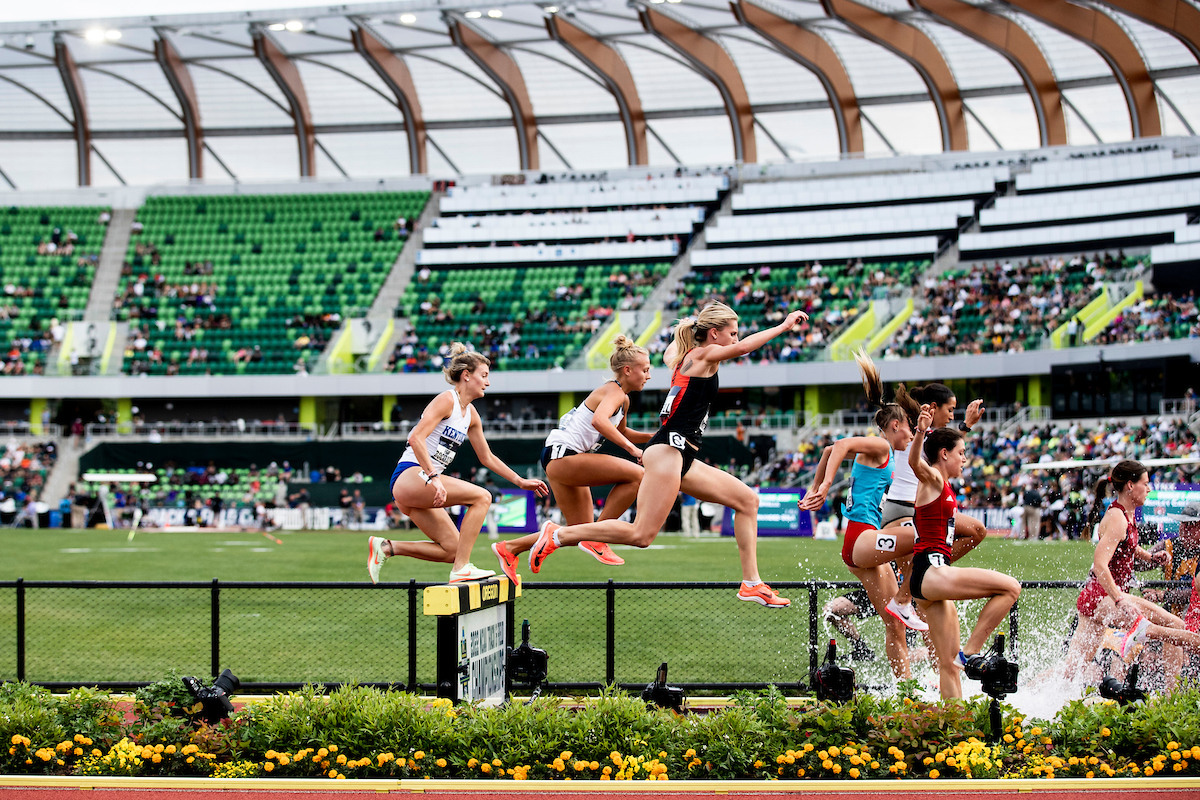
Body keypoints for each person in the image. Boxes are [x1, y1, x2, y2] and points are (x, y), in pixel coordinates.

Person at [524, 302, 809, 607]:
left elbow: (669, 351)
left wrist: (689, 323)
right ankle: (559, 535)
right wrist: (783, 326)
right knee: (642, 535)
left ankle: (751, 583)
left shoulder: (681, 357)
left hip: (680, 453)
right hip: (668, 451)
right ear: (713, 334)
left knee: (748, 500)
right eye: (733, 333)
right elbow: (742, 351)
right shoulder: (700, 355)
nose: (736, 339)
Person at [366, 343, 548, 584]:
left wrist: (519, 480)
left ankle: (387, 548)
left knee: (452, 549)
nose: (488, 382)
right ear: (466, 375)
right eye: (484, 376)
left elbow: (487, 457)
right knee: (482, 497)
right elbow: (415, 438)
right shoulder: (447, 400)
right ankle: (462, 568)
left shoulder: (471, 415)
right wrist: (433, 477)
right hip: (409, 476)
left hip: (424, 485)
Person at [799, 349, 922, 678]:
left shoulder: (886, 452)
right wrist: (824, 487)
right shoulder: (882, 446)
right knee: (926, 535)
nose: (911, 436)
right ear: (895, 426)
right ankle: (911, 597)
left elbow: (827, 451)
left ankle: (904, 690)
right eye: (909, 430)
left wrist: (814, 487)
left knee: (893, 623)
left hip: (859, 546)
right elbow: (837, 446)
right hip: (863, 538)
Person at [491, 336, 655, 583]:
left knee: (578, 532)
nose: (649, 375)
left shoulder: (623, 399)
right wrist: (633, 450)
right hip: (565, 455)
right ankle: (598, 538)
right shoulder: (615, 392)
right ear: (628, 370)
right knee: (638, 475)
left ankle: (510, 548)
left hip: (559, 457)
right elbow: (599, 422)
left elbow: (620, 432)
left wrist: (656, 437)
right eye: (645, 370)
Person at [908, 406, 1021, 699]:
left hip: (928, 577)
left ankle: (954, 723)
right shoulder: (932, 477)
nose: (965, 458)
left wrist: (965, 427)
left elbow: (943, 444)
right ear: (945, 454)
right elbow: (916, 462)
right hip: (932, 570)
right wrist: (921, 431)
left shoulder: (942, 482)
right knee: (1010, 588)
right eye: (961, 453)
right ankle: (970, 654)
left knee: (948, 665)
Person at [1063, 461, 1200, 685]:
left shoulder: (1124, 513)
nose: (1149, 489)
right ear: (1130, 485)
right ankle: (1172, 699)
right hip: (1105, 597)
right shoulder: (1118, 517)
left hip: (1095, 598)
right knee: (1175, 626)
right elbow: (1100, 565)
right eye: (1145, 484)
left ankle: (1029, 695)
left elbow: (1127, 546)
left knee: (1071, 671)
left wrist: (1149, 557)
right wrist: (1119, 599)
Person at [880, 382, 986, 630]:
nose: (952, 415)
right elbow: (942, 450)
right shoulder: (918, 432)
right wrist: (966, 426)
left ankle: (931, 571)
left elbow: (948, 447)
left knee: (977, 531)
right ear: (935, 407)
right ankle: (905, 597)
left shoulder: (927, 433)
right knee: (925, 602)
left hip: (914, 509)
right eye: (950, 409)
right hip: (903, 509)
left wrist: (964, 428)